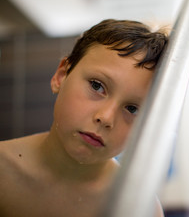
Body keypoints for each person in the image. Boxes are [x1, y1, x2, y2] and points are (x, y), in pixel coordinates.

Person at [0, 19, 168, 217]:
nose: (106, 118)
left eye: (132, 109)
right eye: (97, 86)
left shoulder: (139, 209)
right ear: (61, 76)